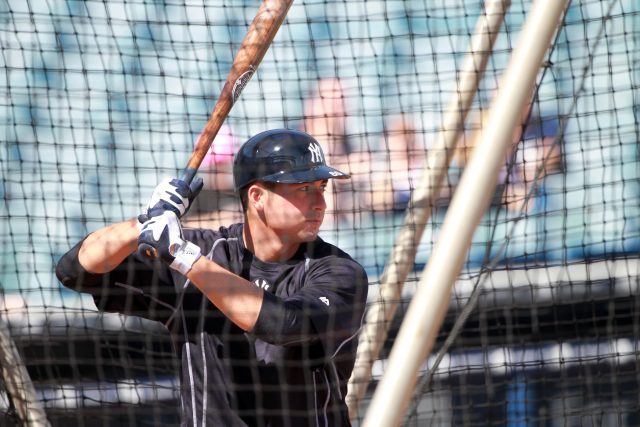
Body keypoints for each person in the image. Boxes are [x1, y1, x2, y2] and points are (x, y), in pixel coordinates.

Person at [55, 129, 369, 426]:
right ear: (257, 196)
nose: (320, 203)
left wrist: (183, 256)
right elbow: (76, 271)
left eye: (321, 188)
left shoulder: (338, 271)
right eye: (304, 189)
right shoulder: (209, 250)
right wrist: (142, 224)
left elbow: (284, 324)